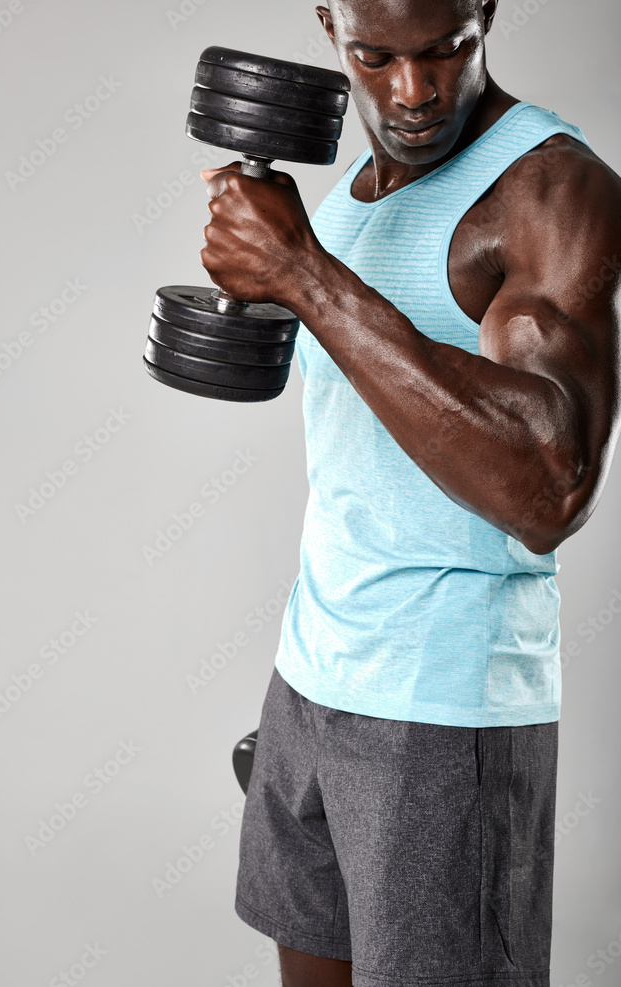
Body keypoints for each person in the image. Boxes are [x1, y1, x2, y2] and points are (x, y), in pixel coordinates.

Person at [198, 1, 621, 984]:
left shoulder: (551, 191)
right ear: (327, 24)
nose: (413, 91)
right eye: (374, 57)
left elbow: (549, 487)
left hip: (442, 716)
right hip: (312, 683)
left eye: (444, 51)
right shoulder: (344, 195)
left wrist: (303, 274)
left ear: (485, 11)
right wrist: (262, 271)